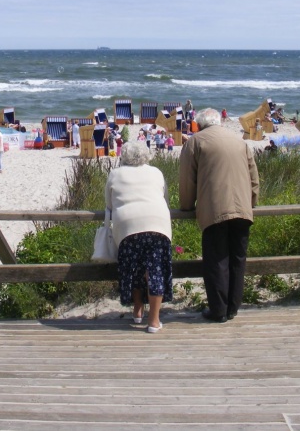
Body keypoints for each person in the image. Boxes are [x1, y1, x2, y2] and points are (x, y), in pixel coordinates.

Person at [179, 108, 259, 323]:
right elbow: (254, 179)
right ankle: (233, 308)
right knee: (237, 259)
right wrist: (251, 204)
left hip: (214, 209)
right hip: (242, 209)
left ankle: (218, 310)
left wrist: (186, 207)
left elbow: (187, 181)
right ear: (220, 122)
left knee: (216, 260)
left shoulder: (195, 142)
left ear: (199, 124)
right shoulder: (239, 142)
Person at [105, 142, 172, 333]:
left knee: (133, 268)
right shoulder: (156, 172)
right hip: (157, 224)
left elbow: (108, 202)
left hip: (127, 226)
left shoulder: (115, 174)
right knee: (155, 270)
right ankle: (154, 321)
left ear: (124, 156)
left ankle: (137, 311)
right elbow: (165, 198)